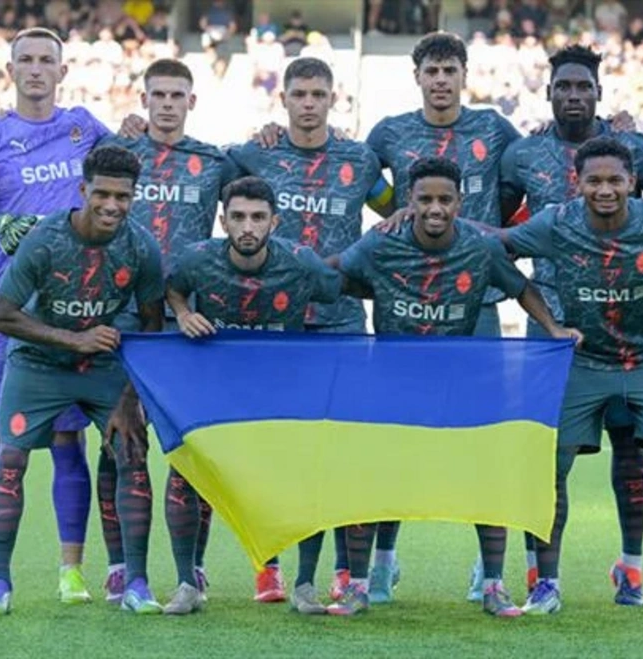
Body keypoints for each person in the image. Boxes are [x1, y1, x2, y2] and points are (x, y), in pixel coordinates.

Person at [326, 156, 570, 618]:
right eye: (425, 199)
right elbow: (335, 271)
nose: (435, 208)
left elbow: (521, 287)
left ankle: (494, 586)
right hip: (392, 386)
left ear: (459, 203)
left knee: (486, 479)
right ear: (410, 201)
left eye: (444, 199)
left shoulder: (479, 248)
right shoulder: (382, 243)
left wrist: (554, 329)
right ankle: (359, 586)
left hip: (458, 385)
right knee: (371, 481)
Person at [500, 137, 643, 618]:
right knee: (550, 468)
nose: (605, 189)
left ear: (632, 182)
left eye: (615, 180)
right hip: (584, 361)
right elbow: (497, 246)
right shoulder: (557, 222)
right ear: (577, 183)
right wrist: (549, 322)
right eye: (594, 180)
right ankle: (546, 584)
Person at [0, 27, 119, 607]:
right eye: (25, 59)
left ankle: (71, 571)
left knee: (69, 441)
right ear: (11, 70)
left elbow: (130, 161)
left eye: (47, 60)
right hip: (7, 306)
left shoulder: (83, 127)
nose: (36, 69)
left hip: (72, 303)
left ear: (62, 71)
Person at [498, 43, 643, 605]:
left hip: (624, 325)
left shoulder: (634, 149)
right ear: (548, 93)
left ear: (600, 93)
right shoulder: (523, 154)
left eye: (583, 87)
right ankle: (539, 574)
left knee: (630, 449)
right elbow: (496, 229)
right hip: (549, 328)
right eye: (563, 87)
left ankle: (632, 567)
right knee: (545, 455)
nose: (573, 96)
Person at [226, 57, 396, 607]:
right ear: (283, 100)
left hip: (342, 322)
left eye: (317, 94)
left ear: (332, 99)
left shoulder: (358, 159)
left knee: (344, 450)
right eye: (298, 94)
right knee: (276, 451)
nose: (308, 103)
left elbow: (396, 210)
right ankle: (269, 566)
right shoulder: (255, 155)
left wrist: (371, 256)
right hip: (274, 324)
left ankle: (346, 571)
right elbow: (211, 185)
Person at [362, 31, 522, 601]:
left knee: (482, 439)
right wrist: (394, 211)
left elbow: (522, 182)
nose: (440, 80)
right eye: (431, 71)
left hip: (477, 307)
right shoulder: (390, 132)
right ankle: (383, 562)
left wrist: (496, 231)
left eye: (449, 70)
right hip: (407, 305)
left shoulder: (495, 129)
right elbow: (360, 179)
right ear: (417, 77)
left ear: (463, 75)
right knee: (395, 438)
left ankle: (489, 569)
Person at [0, 146, 166, 615]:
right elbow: (3, 316)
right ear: (83, 190)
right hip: (37, 365)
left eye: (122, 196)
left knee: (132, 453)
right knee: (11, 461)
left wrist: (130, 399)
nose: (111, 205)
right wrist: (74, 339)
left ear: (134, 197)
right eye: (102, 194)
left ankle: (137, 583)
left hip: (103, 368)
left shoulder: (141, 247)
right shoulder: (44, 240)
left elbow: (151, 325)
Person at [165, 175, 357, 613]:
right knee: (186, 473)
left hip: (282, 391)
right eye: (237, 217)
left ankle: (305, 586)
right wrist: (183, 313)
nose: (247, 227)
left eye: (257, 217)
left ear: (275, 222)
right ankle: (187, 584)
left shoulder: (301, 261)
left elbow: (343, 290)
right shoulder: (197, 258)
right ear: (223, 221)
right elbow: (171, 287)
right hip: (216, 390)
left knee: (307, 477)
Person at [98, 57, 240, 612]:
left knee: (192, 451)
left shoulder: (214, 162)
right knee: (117, 443)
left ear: (191, 102)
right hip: (121, 316)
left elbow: (258, 188)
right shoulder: (119, 152)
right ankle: (118, 567)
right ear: (143, 99)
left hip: (187, 321)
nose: (166, 104)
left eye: (176, 95)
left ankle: (193, 565)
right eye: (157, 95)